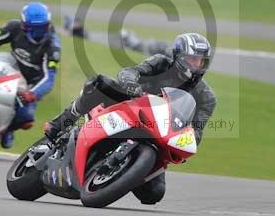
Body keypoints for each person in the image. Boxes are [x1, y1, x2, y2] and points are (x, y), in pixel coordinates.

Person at [43, 32, 217, 205]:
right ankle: (59, 124)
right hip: (131, 105)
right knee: (100, 84)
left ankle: (124, 172)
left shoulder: (206, 97)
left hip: (160, 131)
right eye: (192, 59)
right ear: (178, 56)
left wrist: (185, 142)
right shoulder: (161, 63)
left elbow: (197, 130)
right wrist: (131, 84)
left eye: (201, 61)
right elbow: (131, 72)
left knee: (154, 194)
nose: (196, 65)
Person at [0, 1, 60, 149]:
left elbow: (49, 77)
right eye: (32, 28)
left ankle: (8, 129)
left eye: (41, 28)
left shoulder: (53, 46)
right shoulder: (13, 27)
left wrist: (33, 93)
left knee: (26, 119)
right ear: (23, 24)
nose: (37, 33)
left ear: (47, 24)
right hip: (11, 66)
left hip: (31, 82)